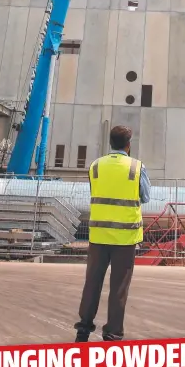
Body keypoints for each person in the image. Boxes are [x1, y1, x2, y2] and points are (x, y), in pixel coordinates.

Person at [74, 125, 150, 342]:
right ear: (129, 144)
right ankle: (113, 335)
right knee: (119, 288)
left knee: (92, 283)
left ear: (110, 142)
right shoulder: (136, 168)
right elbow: (145, 197)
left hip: (98, 236)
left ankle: (83, 330)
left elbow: (95, 193)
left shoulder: (95, 166)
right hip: (125, 239)